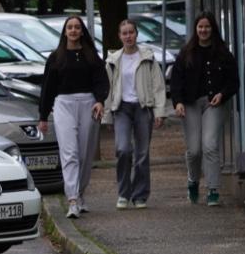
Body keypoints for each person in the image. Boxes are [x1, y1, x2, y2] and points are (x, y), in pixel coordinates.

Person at [37, 14, 108, 219]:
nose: (74, 31)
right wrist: (43, 116)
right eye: (70, 28)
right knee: (70, 153)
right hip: (63, 104)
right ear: (65, 31)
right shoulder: (56, 57)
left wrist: (100, 100)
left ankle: (81, 192)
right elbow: (47, 88)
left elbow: (101, 81)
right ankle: (72, 200)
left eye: (77, 27)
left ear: (82, 31)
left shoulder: (91, 56)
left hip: (88, 104)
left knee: (85, 154)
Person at [168, 11, 240, 206]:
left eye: (207, 27)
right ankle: (193, 180)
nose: (204, 30)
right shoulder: (186, 53)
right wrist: (178, 102)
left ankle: (213, 189)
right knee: (194, 150)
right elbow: (176, 81)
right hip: (190, 103)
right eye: (200, 27)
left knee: (210, 145)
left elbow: (234, 81)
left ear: (213, 29)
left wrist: (222, 94)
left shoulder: (223, 53)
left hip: (213, 103)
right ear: (195, 29)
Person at [102, 19, 168, 209]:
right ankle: (123, 193)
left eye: (131, 32)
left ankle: (140, 195)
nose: (128, 36)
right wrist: (107, 115)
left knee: (142, 154)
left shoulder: (147, 57)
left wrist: (159, 112)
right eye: (125, 33)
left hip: (142, 107)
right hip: (121, 108)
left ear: (136, 34)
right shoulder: (113, 60)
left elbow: (158, 85)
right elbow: (108, 89)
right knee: (123, 149)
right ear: (119, 36)